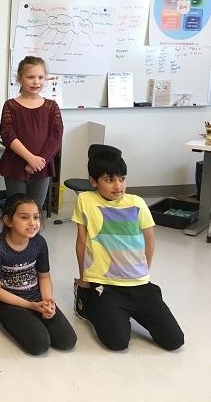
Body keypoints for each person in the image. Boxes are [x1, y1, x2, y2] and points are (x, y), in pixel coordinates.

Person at [72, 149, 184, 351]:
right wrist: (84, 280)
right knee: (117, 342)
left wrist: (142, 271)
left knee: (175, 341)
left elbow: (150, 241)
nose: (118, 186)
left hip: (139, 285)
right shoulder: (85, 200)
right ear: (93, 181)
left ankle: (138, 305)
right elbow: (81, 241)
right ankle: (90, 302)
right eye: (110, 179)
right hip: (107, 285)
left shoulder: (137, 203)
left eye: (122, 179)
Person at [0, 194, 77, 355]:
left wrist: (48, 301)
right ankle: (3, 318)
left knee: (67, 341)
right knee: (39, 345)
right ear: (8, 221)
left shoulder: (39, 242)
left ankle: (32, 316)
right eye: (24, 217)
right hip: (9, 303)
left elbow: (44, 276)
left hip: (35, 298)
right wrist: (30, 306)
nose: (33, 223)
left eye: (36, 217)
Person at [0, 56, 63, 211]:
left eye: (40, 77)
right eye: (30, 77)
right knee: (17, 209)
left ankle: (34, 236)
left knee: (35, 211)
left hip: (42, 167)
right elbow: (7, 134)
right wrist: (30, 158)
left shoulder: (51, 106)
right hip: (16, 165)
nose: (36, 82)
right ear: (20, 78)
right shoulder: (11, 106)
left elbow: (56, 137)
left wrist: (39, 162)